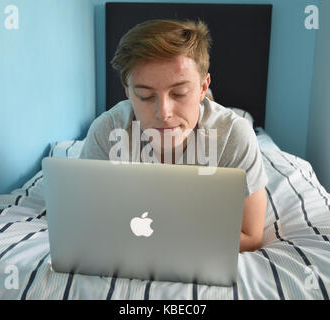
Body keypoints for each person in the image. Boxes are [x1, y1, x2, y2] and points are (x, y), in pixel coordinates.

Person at [80, 19, 268, 253]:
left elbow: (250, 236)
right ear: (128, 92)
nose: (163, 113)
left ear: (202, 88)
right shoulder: (106, 131)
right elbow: (85, 224)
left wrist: (158, 241)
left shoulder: (234, 135)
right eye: (146, 96)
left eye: (179, 93)